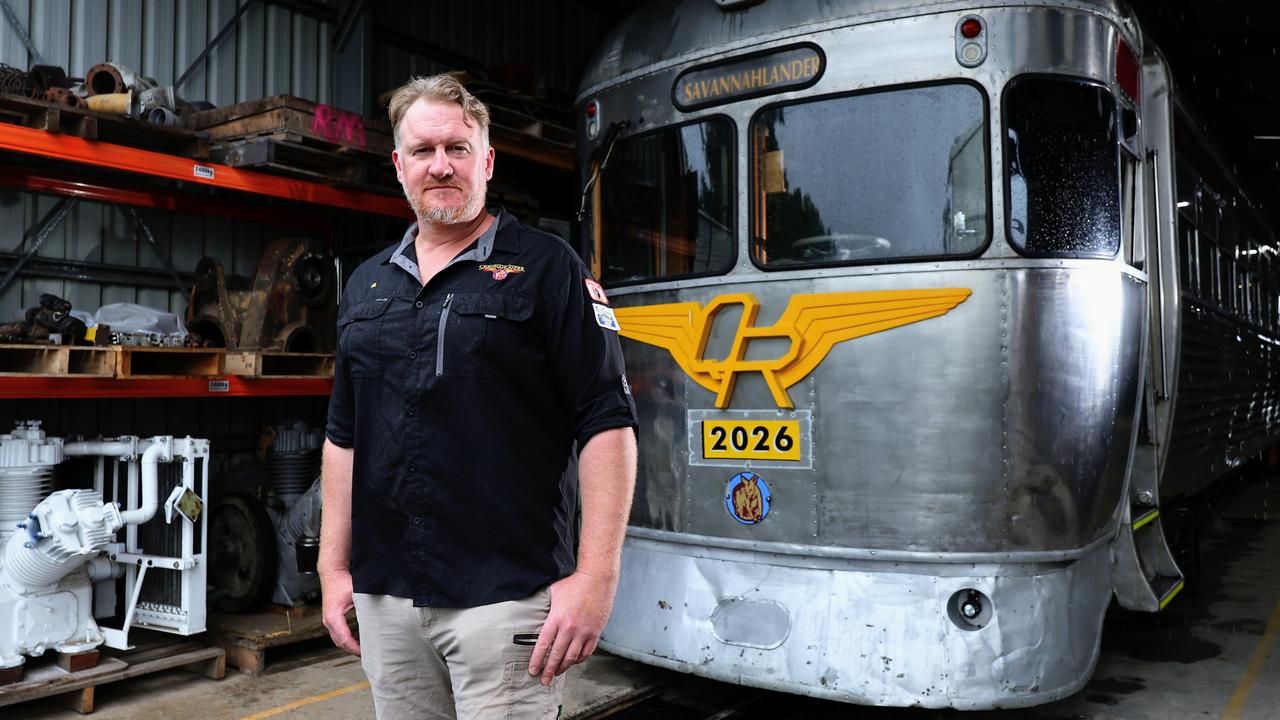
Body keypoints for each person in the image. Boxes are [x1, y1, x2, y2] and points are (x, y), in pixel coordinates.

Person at [319, 73, 638, 720]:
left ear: (487, 161)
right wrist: (332, 568)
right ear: (399, 165)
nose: (441, 165)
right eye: (424, 150)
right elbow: (342, 437)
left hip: (507, 599)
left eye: (458, 149)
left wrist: (596, 579)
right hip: (389, 600)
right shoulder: (367, 286)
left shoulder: (550, 270)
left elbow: (608, 423)